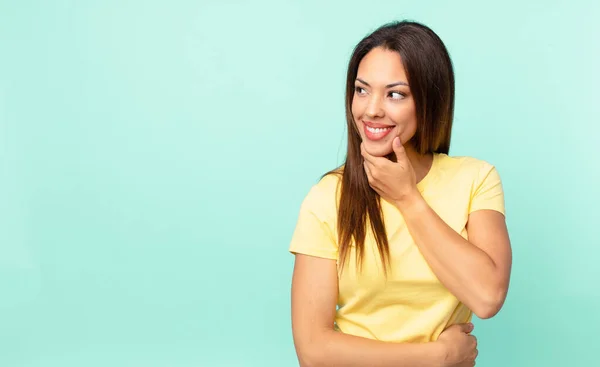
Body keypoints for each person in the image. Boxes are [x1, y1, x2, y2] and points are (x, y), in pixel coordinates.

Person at [288, 20, 512, 367]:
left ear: (429, 100)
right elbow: (314, 351)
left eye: (395, 94)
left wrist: (408, 198)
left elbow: (487, 296)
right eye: (362, 90)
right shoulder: (328, 196)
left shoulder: (475, 179)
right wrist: (436, 357)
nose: (372, 108)